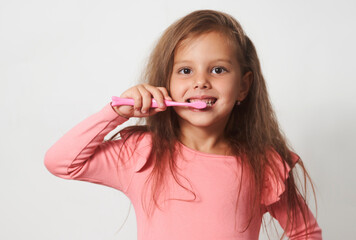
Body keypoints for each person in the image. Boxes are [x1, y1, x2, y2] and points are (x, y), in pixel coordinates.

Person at [44, 9, 322, 240]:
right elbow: (61, 162)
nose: (200, 81)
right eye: (185, 71)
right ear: (167, 84)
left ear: (243, 87)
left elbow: (306, 233)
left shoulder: (263, 164)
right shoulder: (142, 153)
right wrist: (117, 112)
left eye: (218, 69)